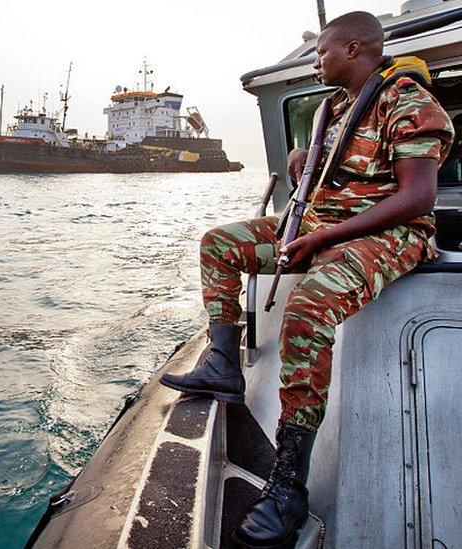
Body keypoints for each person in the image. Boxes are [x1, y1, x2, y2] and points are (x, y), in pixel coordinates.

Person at [158, 11, 454, 548]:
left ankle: (289, 484)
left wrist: (322, 240)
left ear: (357, 48)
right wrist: (303, 162)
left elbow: (417, 197)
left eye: (323, 52)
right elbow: (334, 172)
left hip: (392, 231)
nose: (317, 60)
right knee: (219, 245)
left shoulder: (408, 102)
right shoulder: (333, 110)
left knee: (308, 309)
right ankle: (225, 365)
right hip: (322, 222)